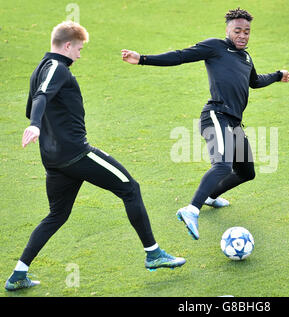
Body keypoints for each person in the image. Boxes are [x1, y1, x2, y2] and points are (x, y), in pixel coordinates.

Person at [5, 21, 185, 292]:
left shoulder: (40, 69)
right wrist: (36, 124)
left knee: (57, 215)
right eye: (78, 49)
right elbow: (40, 98)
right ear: (67, 46)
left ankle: (18, 275)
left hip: (53, 160)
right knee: (130, 188)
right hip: (76, 154)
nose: (80, 54)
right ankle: (153, 254)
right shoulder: (56, 68)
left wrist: (41, 122)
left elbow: (32, 104)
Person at [121, 8, 289, 240]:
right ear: (227, 30)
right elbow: (181, 56)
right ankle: (191, 209)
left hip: (234, 121)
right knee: (222, 165)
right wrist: (142, 59)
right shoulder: (215, 47)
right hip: (216, 115)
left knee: (246, 172)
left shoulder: (246, 57)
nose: (243, 35)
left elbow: (254, 81)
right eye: (238, 31)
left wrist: (277, 74)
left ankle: (211, 196)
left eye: (247, 31)